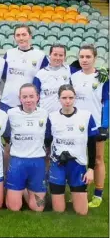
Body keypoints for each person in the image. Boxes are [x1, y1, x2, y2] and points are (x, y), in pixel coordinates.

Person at [48, 84, 97, 215]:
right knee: (58, 210)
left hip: (78, 165)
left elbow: (92, 145)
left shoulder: (86, 116)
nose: (67, 101)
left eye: (71, 97)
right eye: (64, 98)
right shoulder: (52, 117)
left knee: (82, 211)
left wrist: (91, 169)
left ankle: (75, 193)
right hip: (58, 164)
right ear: (59, 99)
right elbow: (47, 142)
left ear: (75, 98)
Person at [70, 44, 109, 208]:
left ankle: (98, 194)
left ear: (95, 58)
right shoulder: (73, 76)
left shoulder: (102, 77)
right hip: (77, 124)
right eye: (82, 57)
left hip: (96, 125)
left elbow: (107, 101)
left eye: (88, 57)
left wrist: (105, 125)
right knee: (78, 159)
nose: (84, 60)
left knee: (98, 159)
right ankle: (80, 191)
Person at [4, 83, 49, 212]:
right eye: (25, 97)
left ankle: (28, 188)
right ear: (20, 98)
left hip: (37, 162)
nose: (28, 100)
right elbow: (6, 135)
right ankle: (21, 189)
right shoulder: (11, 113)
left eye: (31, 96)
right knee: (14, 208)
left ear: (37, 97)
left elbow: (49, 138)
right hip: (18, 162)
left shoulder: (44, 114)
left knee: (38, 208)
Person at [0, 25, 49, 112]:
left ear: (30, 36)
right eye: (18, 35)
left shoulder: (40, 56)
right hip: (7, 103)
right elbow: (3, 76)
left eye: (24, 34)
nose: (21, 38)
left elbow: (44, 80)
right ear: (14, 37)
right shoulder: (9, 54)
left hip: (28, 105)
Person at [33, 44, 72, 114]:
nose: (58, 58)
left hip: (64, 115)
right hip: (45, 115)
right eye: (55, 54)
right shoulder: (40, 74)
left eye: (61, 55)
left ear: (64, 57)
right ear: (50, 55)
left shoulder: (69, 70)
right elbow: (34, 96)